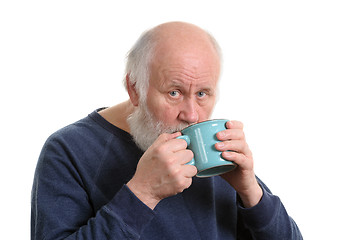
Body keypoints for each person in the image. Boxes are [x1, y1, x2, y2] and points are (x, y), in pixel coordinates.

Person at [31, 21, 303, 239]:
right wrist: (143, 194)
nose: (192, 115)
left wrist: (251, 192)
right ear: (134, 88)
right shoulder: (67, 150)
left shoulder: (213, 149)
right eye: (174, 92)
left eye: (203, 93)